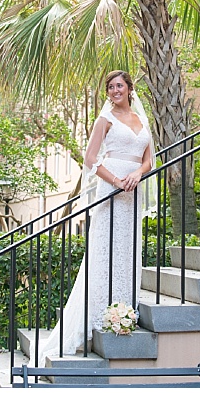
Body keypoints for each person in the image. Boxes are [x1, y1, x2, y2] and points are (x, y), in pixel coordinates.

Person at [37, 70, 154, 364]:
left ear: (130, 89)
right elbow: (90, 159)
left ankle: (123, 313)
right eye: (110, 87)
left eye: (119, 86)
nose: (114, 91)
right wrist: (116, 180)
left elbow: (149, 159)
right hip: (111, 189)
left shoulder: (143, 120)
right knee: (104, 251)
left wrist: (137, 175)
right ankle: (95, 320)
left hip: (132, 193)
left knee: (127, 251)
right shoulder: (105, 119)